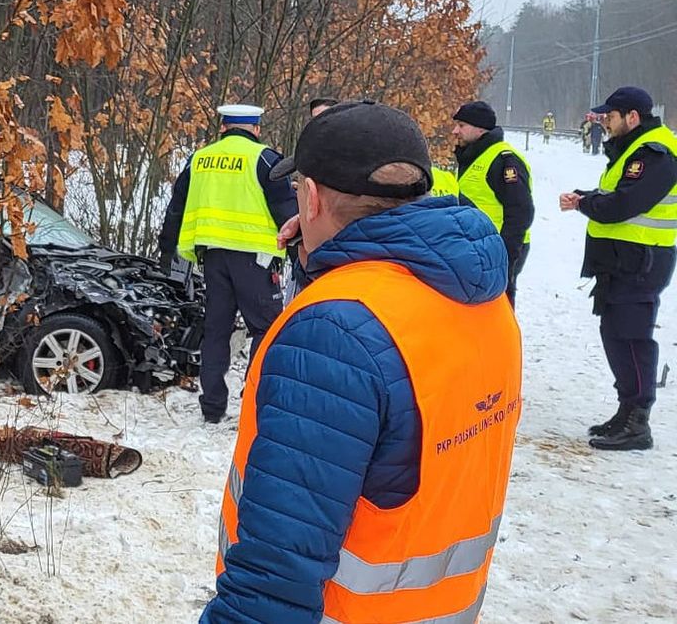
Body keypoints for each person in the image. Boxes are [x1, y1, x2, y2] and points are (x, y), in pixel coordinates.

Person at [204, 101, 522, 623]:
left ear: (309, 197)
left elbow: (276, 572)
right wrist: (328, 267)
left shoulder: (331, 334)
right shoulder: (483, 300)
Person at [157, 104, 297, 424]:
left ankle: (212, 406)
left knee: (216, 331)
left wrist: (166, 251)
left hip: (213, 258)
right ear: (256, 129)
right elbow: (286, 212)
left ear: (223, 127)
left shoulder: (199, 160)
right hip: (256, 261)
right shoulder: (265, 159)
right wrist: (298, 255)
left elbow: (175, 209)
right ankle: (255, 400)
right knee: (266, 330)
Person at [559, 86, 677, 451]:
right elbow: (616, 196)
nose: (604, 123)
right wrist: (586, 197)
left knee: (632, 337)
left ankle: (638, 421)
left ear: (632, 117)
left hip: (642, 261)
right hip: (623, 261)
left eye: (609, 117)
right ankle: (626, 411)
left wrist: (585, 203)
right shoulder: (633, 150)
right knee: (616, 333)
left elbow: (623, 204)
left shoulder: (656, 154)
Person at [452, 100, 535, 306]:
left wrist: (505, 256)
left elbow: (521, 212)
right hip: (477, 248)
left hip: (500, 248)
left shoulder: (505, 160)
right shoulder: (472, 156)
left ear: (480, 129)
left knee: (498, 308)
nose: (455, 131)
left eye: (461, 126)